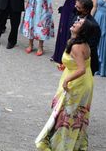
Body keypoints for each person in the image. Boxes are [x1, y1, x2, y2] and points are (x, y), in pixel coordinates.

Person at [35, 18, 95, 151]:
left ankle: (62, 146)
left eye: (79, 23)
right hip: (78, 78)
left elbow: (81, 69)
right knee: (67, 113)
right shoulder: (74, 42)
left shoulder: (77, 46)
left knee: (68, 115)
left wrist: (67, 80)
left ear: (83, 31)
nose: (75, 22)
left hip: (78, 83)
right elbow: (78, 63)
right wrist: (65, 65)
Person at [51, 0, 97, 64]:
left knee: (76, 33)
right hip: (68, 8)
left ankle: (74, 57)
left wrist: (89, 16)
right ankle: (60, 55)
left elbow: (94, 2)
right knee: (64, 30)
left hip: (81, 11)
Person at [73, 0, 101, 75]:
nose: (76, 8)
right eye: (76, 6)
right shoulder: (75, 16)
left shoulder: (94, 26)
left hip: (86, 61)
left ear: (86, 10)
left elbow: (92, 45)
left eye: (79, 8)